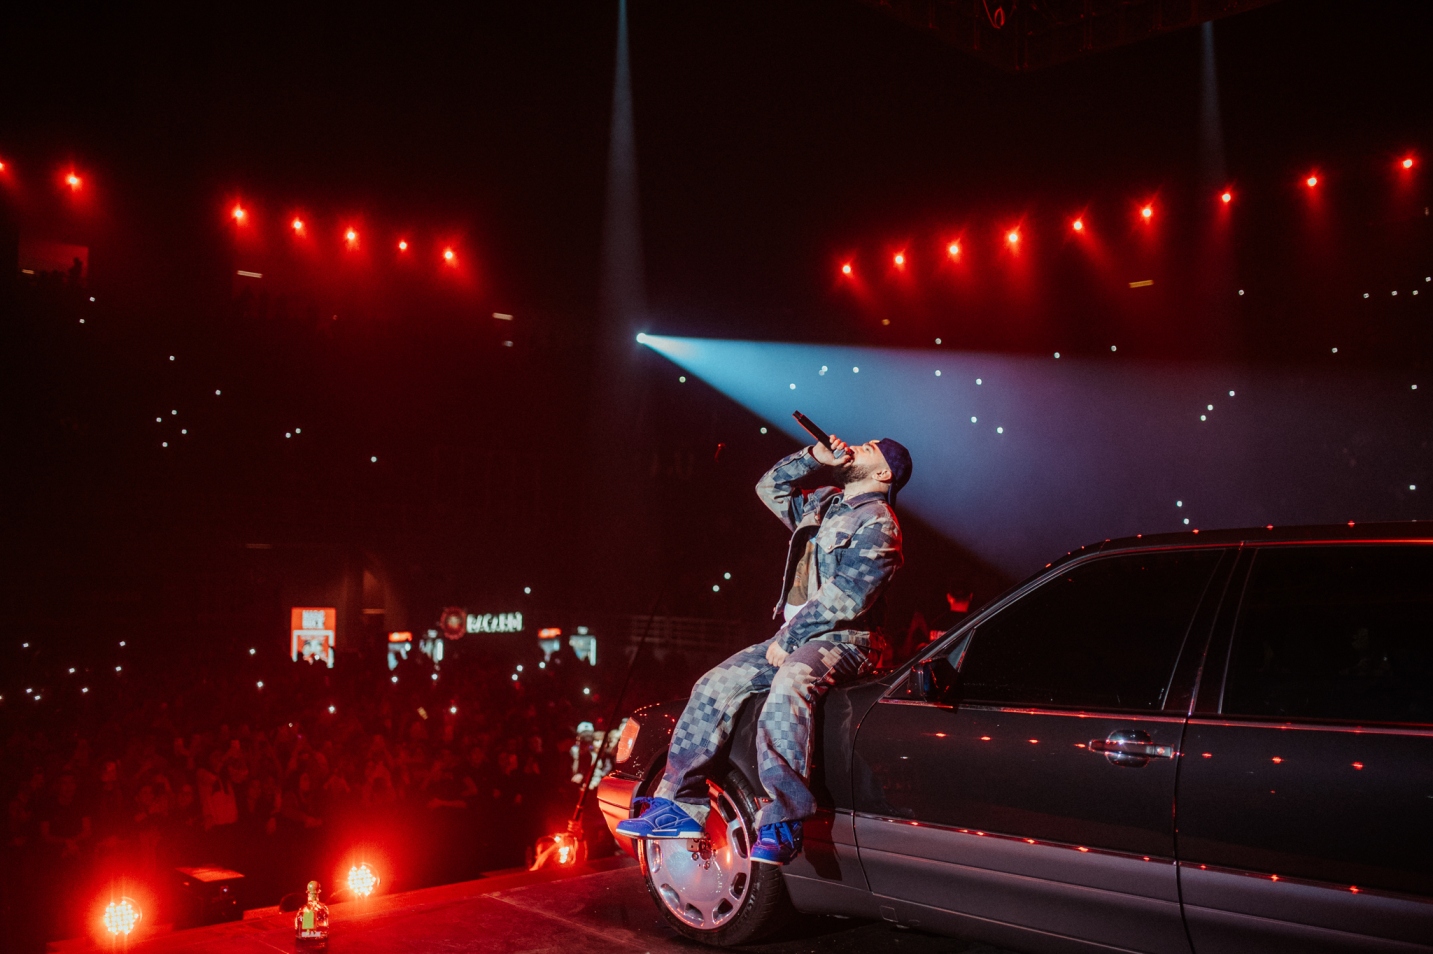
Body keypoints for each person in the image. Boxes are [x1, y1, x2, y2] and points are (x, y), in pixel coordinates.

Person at [618, 434, 911, 864]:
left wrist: (790, 639)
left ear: (883, 473)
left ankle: (782, 818)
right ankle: (679, 805)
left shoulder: (880, 523)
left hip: (847, 640)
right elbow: (769, 487)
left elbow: (848, 597)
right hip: (793, 638)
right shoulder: (825, 503)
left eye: (867, 449)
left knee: (792, 680)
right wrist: (814, 456)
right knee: (714, 683)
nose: (855, 448)